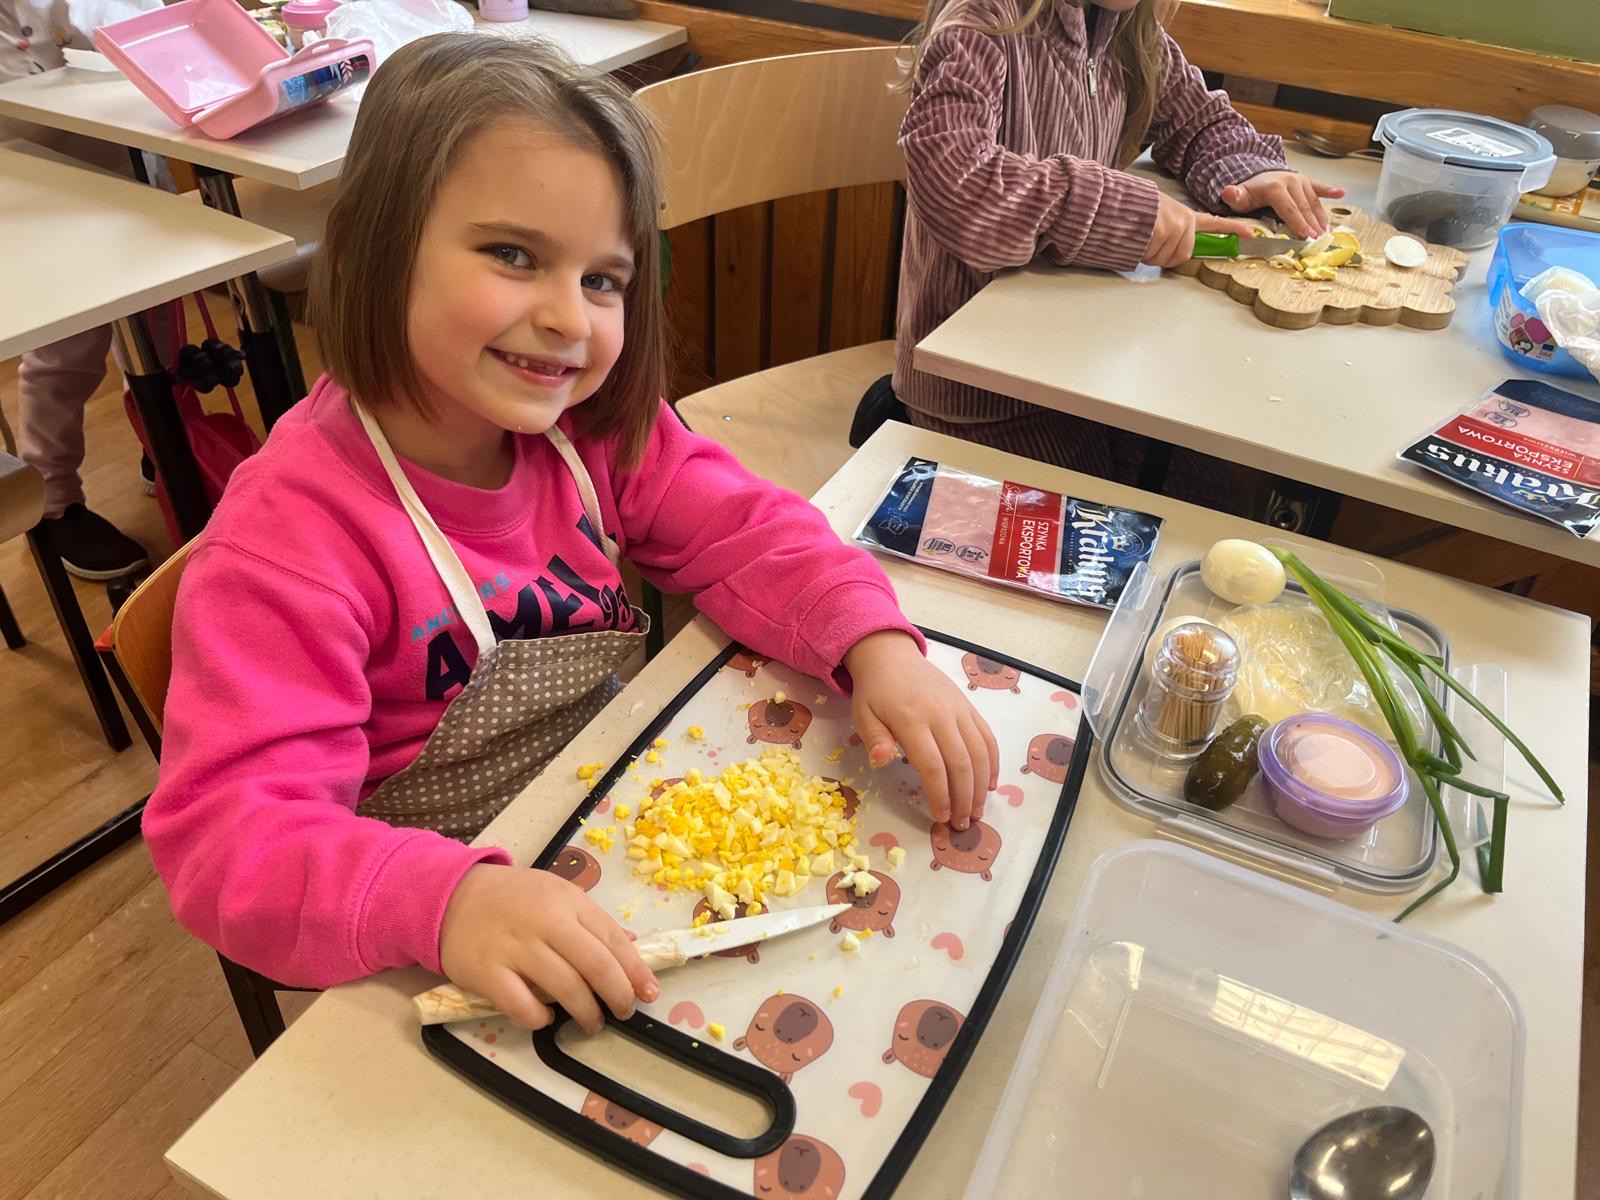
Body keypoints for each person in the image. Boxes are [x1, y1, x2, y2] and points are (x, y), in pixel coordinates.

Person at [143, 35, 999, 1035]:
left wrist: (874, 642)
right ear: (378, 245)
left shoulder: (587, 432)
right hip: (435, 934)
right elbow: (232, 843)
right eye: (513, 256)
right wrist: (445, 903)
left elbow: (747, 527)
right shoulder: (291, 544)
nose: (569, 319)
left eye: (603, 279)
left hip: (614, 840)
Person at [892, 0, 1346, 511]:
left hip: (1093, 374)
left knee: (1221, 508)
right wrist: (1122, 212)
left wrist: (1249, 170)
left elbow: (1196, 120)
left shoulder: (1127, 27)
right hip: (983, 400)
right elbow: (958, 182)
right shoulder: (984, 20)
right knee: (1137, 538)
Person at [3, 0, 162, 578]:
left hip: (131, 142)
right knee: (66, 350)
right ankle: (53, 501)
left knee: (158, 326)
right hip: (38, 174)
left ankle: (162, 440)